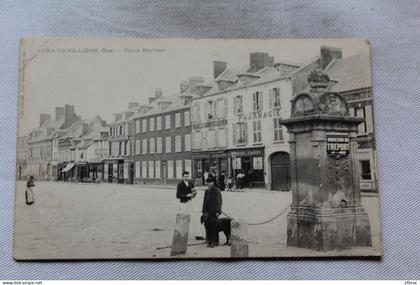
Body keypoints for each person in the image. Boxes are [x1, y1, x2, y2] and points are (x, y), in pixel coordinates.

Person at [176, 171, 205, 240]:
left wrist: (194, 193)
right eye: (185, 176)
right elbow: (178, 195)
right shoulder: (180, 184)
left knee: (195, 218)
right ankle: (181, 235)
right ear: (182, 176)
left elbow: (193, 191)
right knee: (183, 218)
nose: (186, 178)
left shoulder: (191, 184)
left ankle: (198, 234)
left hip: (191, 202)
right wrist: (186, 195)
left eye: (187, 176)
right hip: (184, 203)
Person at [202, 178, 222, 247]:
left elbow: (219, 201)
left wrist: (218, 211)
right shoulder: (207, 191)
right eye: (208, 182)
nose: (209, 184)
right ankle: (209, 241)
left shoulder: (216, 190)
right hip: (207, 212)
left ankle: (215, 242)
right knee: (208, 227)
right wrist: (203, 211)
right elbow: (204, 202)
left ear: (213, 183)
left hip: (214, 212)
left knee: (214, 227)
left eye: (211, 182)